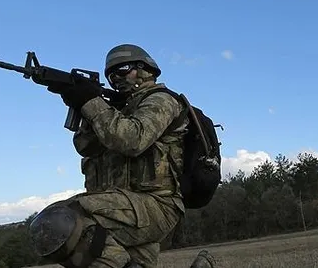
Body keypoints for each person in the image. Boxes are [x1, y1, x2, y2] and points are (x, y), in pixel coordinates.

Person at [26, 44, 213, 268]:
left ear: (145, 69)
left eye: (123, 69)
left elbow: (131, 140)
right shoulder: (117, 111)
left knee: (59, 219)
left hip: (155, 206)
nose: (116, 78)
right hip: (124, 209)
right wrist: (86, 105)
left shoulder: (162, 100)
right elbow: (86, 146)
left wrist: (90, 101)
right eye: (111, 75)